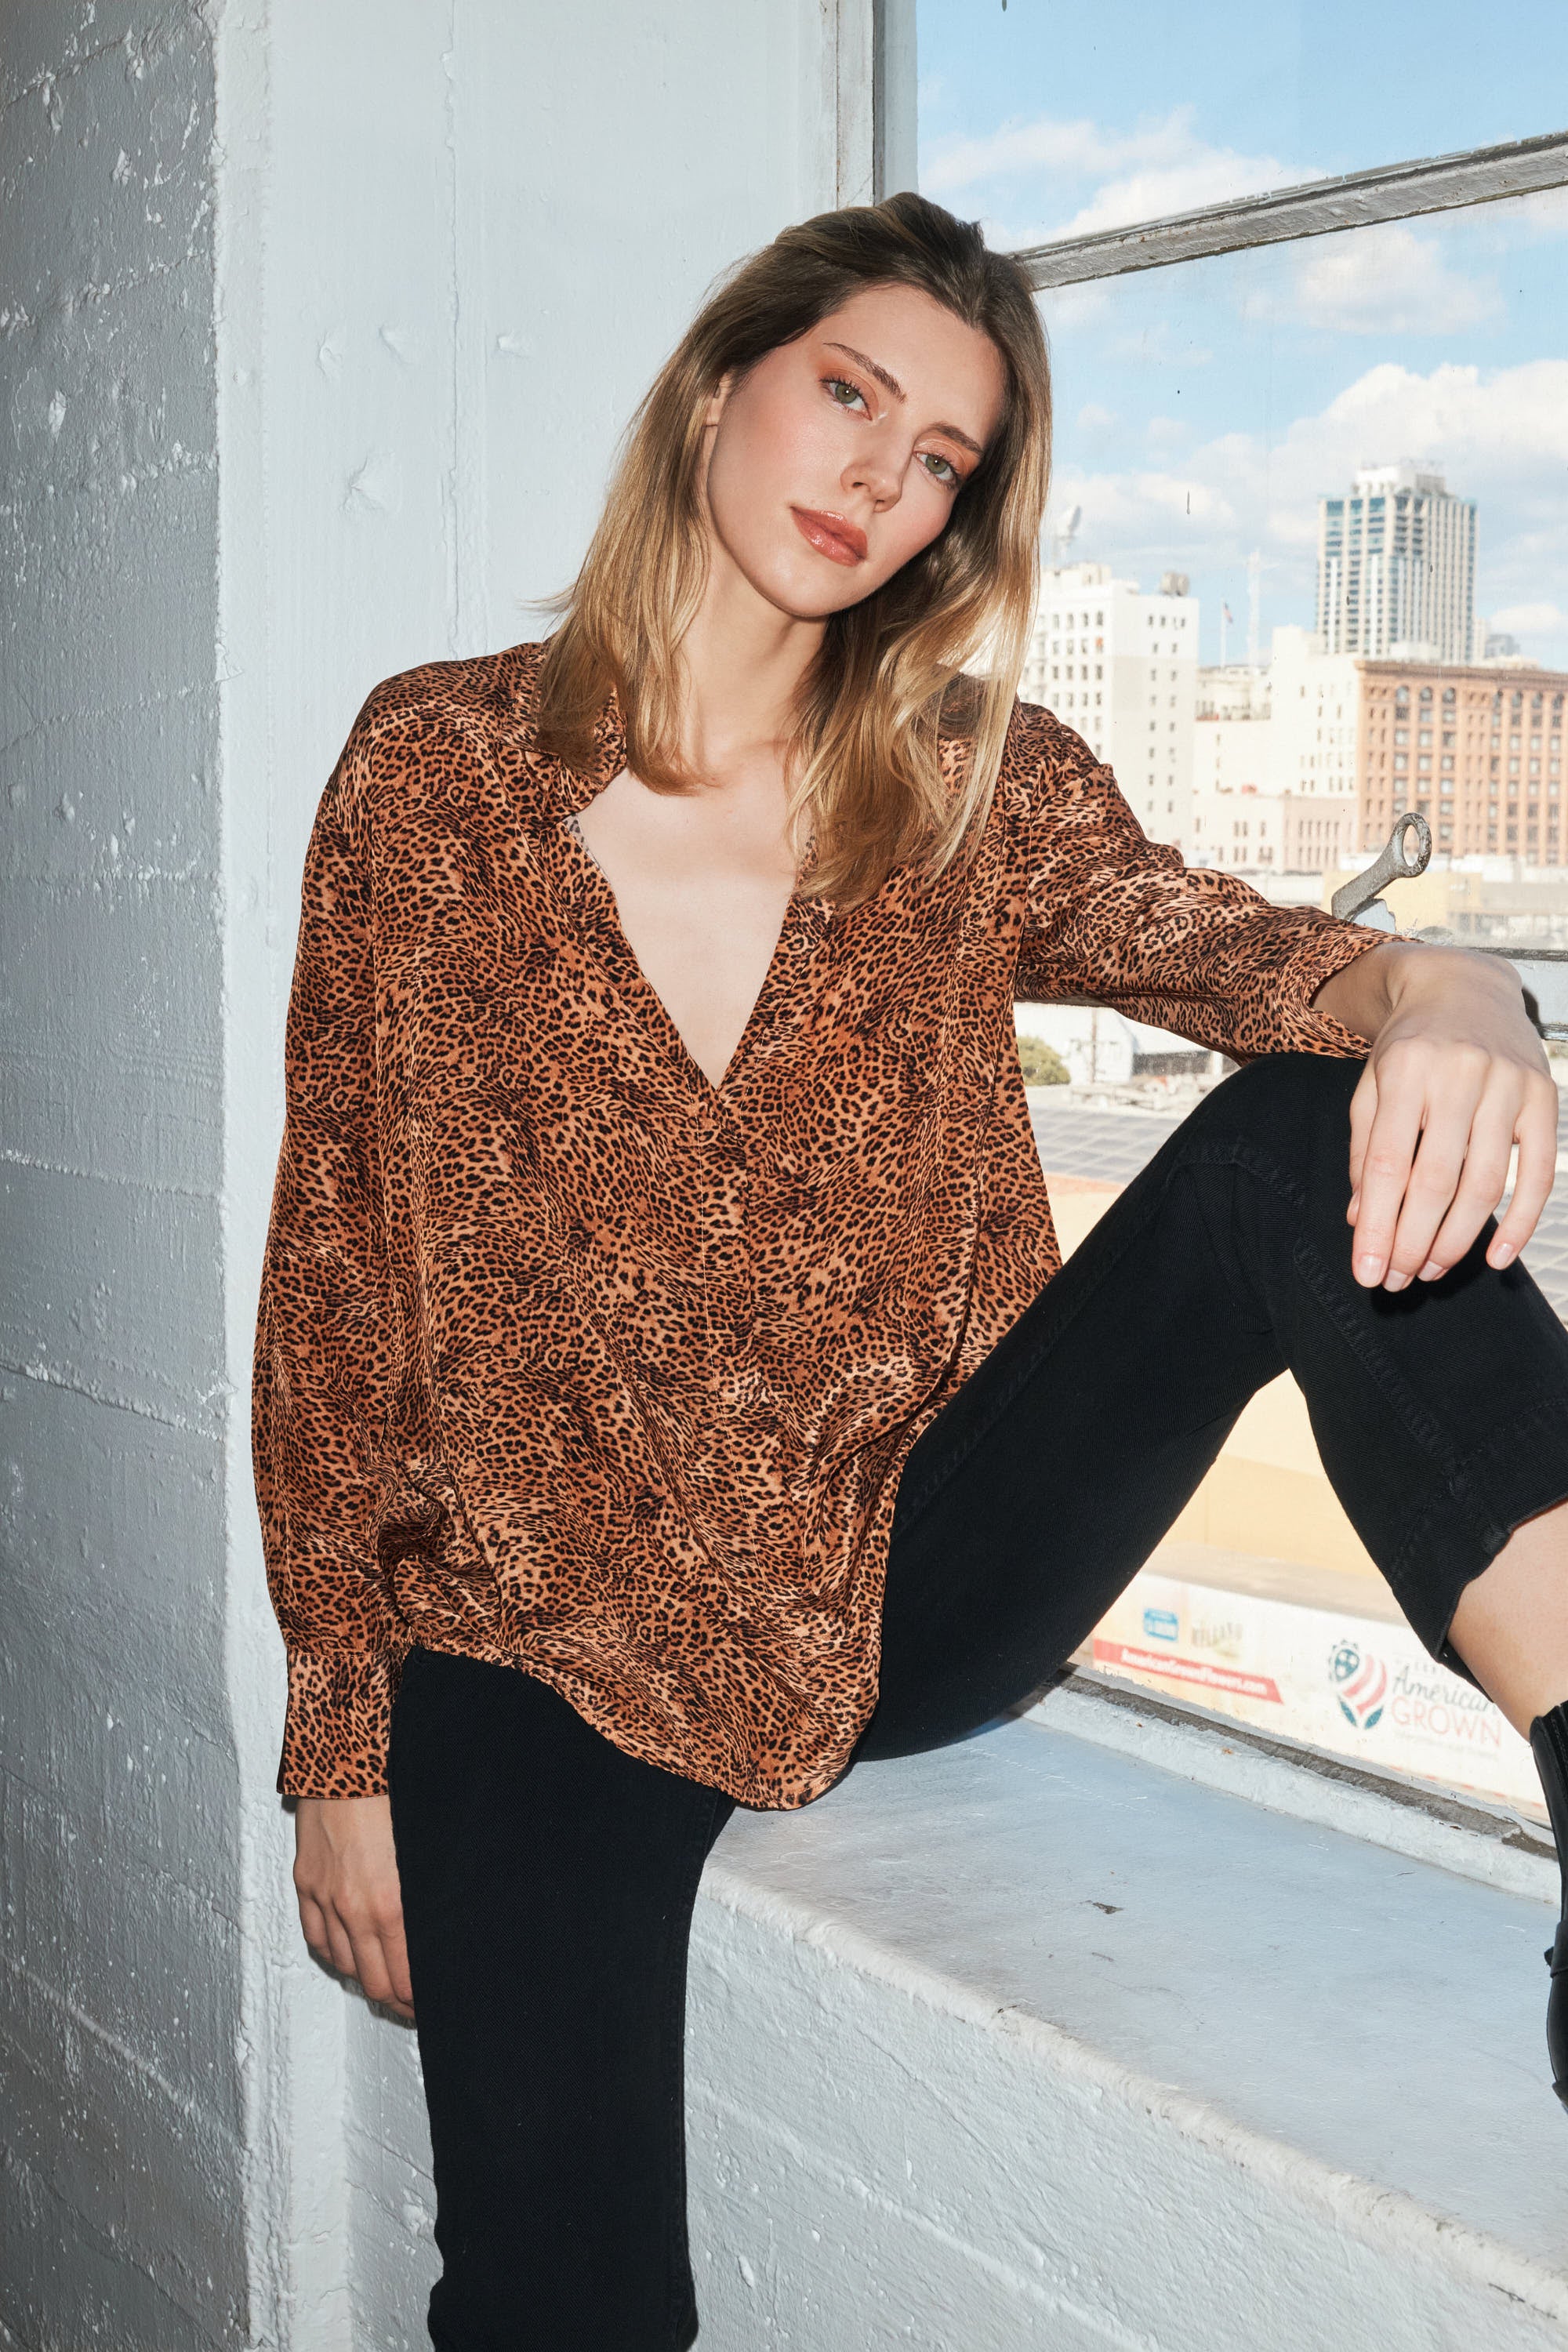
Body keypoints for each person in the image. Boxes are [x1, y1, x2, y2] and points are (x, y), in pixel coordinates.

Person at [252, 192, 1568, 2350]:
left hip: (916, 1558)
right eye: (852, 395)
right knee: (561, 2298)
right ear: (716, 394)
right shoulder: (434, 777)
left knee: (1289, 1135)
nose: (881, 473)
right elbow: (332, 1278)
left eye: (943, 454)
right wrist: (338, 1741)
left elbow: (1243, 958)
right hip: (540, 1625)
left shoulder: (967, 785)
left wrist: (1461, 992)